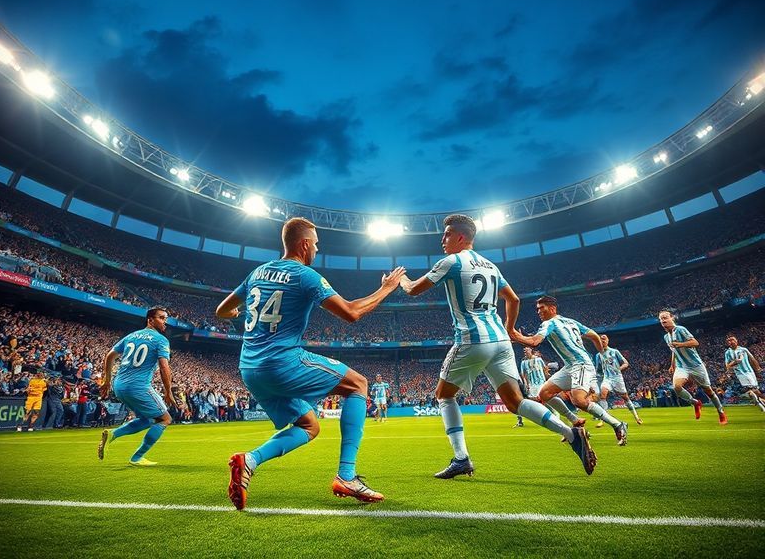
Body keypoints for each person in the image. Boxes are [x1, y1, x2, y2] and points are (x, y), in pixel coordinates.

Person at [216, 217, 406, 510]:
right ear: (304, 244)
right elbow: (351, 313)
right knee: (359, 384)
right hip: (282, 362)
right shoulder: (305, 275)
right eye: (316, 244)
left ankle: (249, 461)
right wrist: (387, 288)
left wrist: (239, 316)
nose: (317, 250)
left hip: (250, 369)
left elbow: (222, 310)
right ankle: (347, 475)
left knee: (309, 425)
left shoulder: (258, 272)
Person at [399, 214, 596, 477]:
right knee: (516, 402)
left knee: (444, 395)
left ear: (460, 237)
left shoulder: (452, 262)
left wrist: (396, 281)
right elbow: (513, 299)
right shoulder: (492, 266)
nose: (442, 239)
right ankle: (571, 434)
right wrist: (510, 329)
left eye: (446, 235)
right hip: (501, 342)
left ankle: (461, 458)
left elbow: (412, 289)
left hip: (473, 340)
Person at [510, 295, 629, 446]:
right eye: (537, 309)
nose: (539, 312)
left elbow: (535, 342)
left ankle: (617, 424)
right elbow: (593, 335)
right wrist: (601, 353)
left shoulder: (549, 323)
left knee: (578, 400)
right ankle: (575, 420)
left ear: (552, 308)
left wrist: (515, 335)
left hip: (581, 364)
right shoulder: (571, 321)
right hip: (570, 365)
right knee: (544, 394)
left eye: (542, 308)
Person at [97, 306, 177, 466]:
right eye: (161, 318)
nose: (164, 322)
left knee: (147, 419)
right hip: (138, 386)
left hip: (119, 385)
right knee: (165, 419)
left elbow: (109, 356)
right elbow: (164, 367)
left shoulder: (131, 336)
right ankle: (137, 458)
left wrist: (107, 380)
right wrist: (168, 391)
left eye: (165, 319)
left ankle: (112, 434)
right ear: (150, 319)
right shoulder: (161, 340)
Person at [659, 310, 726, 425]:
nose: (663, 320)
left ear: (672, 318)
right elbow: (674, 351)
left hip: (695, 365)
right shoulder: (666, 337)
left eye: (665, 317)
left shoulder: (680, 330)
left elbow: (695, 343)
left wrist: (680, 344)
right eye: (661, 319)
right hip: (681, 366)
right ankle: (695, 402)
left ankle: (721, 412)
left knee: (708, 391)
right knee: (677, 387)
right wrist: (672, 364)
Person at [596, 335, 642, 425]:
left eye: (604, 339)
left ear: (607, 341)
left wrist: (619, 369)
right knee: (603, 395)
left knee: (625, 398)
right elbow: (598, 370)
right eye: (600, 340)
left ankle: (636, 417)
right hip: (607, 378)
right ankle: (603, 420)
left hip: (617, 378)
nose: (602, 341)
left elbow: (626, 363)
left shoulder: (614, 352)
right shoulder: (598, 355)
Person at [724, 334, 765, 412]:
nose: (731, 341)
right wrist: (735, 361)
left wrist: (758, 368)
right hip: (740, 374)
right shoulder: (728, 353)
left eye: (732, 339)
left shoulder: (744, 349)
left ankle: (758, 401)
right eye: (729, 341)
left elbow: (752, 358)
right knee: (752, 389)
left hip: (750, 372)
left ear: (736, 341)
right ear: (727, 343)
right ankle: (759, 402)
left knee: (755, 391)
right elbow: (727, 366)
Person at [516, 348, 550, 428]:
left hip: (541, 382)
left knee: (545, 399)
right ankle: (520, 420)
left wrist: (546, 378)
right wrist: (526, 383)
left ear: (531, 350)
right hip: (531, 384)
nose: (525, 351)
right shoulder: (524, 362)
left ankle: (551, 416)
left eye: (526, 350)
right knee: (526, 400)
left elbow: (545, 369)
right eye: (524, 350)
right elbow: (523, 373)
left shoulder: (538, 359)